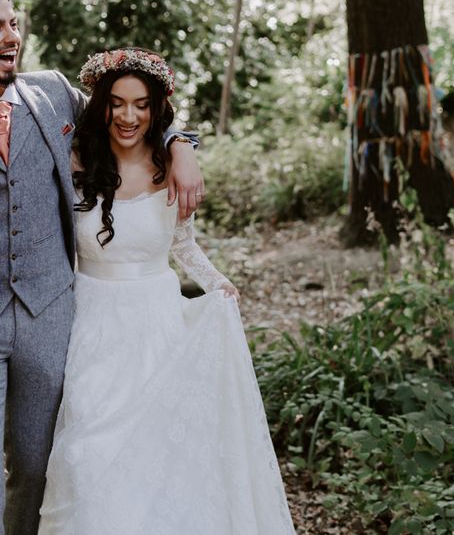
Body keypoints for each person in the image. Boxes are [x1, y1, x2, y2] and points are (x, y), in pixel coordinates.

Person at [38, 48, 296, 534]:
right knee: (86, 453)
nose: (128, 116)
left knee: (158, 457)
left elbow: (184, 245)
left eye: (140, 104)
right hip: (91, 327)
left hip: (157, 326)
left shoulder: (171, 167)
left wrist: (218, 284)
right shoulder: (74, 163)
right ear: (102, 106)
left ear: (157, 109)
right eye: (116, 103)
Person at [0, 0, 204, 534]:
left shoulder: (48, 94)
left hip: (51, 314)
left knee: (39, 467)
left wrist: (183, 144)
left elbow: (131, 112)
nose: (10, 36)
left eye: (12, 22)